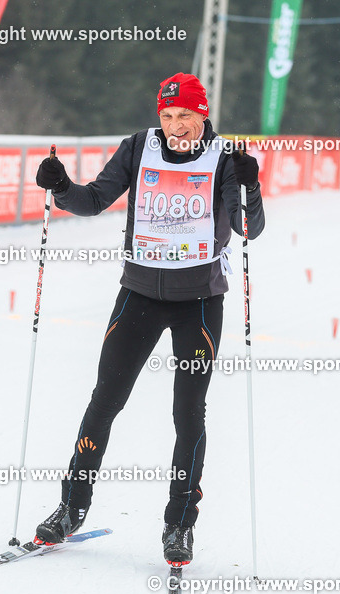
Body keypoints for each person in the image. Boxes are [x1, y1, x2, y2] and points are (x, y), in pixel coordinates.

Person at [29, 72, 266, 565]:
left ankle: (179, 524)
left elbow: (248, 227)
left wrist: (251, 184)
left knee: (188, 414)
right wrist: (61, 188)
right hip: (138, 294)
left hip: (199, 301)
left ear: (203, 115)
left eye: (186, 116)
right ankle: (71, 508)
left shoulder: (224, 158)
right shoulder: (139, 148)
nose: (176, 126)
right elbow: (94, 200)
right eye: (168, 115)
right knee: (104, 401)